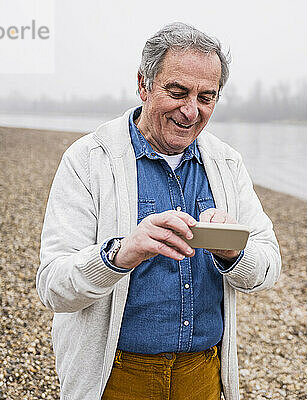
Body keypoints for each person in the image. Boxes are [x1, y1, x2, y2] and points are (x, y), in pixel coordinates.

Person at [37, 22, 281, 400]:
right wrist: (120, 254)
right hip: (114, 374)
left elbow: (268, 266)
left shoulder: (227, 164)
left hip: (204, 373)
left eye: (206, 97)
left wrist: (234, 253)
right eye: (177, 91)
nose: (190, 111)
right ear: (143, 84)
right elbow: (53, 287)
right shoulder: (87, 160)